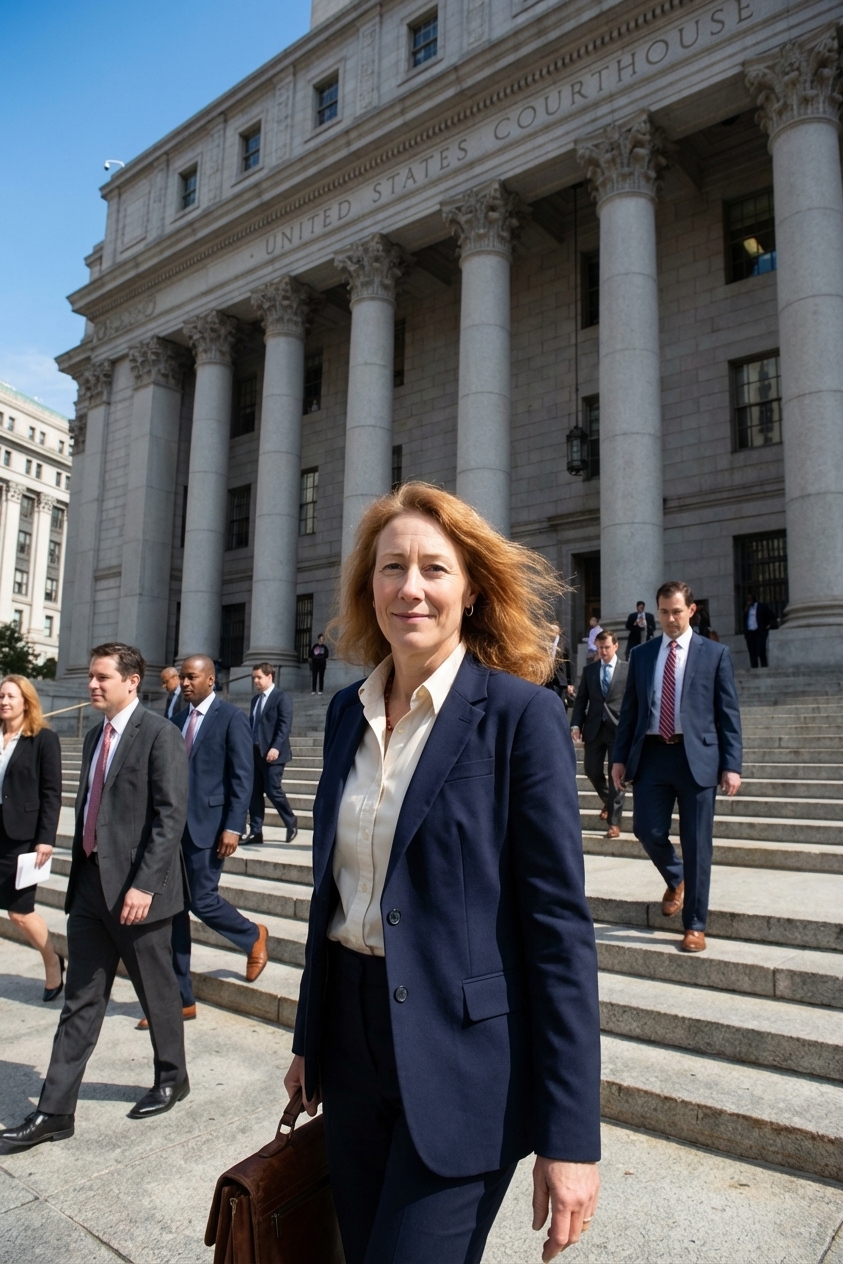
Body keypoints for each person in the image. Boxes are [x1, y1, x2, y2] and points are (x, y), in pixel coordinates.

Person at [285, 482, 600, 1264]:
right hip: (351, 1047)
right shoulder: (343, 716)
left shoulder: (519, 717)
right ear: (369, 586)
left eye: (433, 568)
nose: (411, 588)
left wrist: (570, 1139)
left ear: (470, 589)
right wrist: (308, 1040)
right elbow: (337, 893)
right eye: (392, 568)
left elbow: (558, 935)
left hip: (464, 1061)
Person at [0, 644, 190, 1152]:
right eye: (90, 677)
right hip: (89, 888)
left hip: (139, 894)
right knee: (81, 999)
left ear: (132, 682)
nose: (92, 685)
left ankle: (172, 1076)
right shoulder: (92, 736)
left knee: (156, 989)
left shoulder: (160, 735)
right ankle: (55, 1111)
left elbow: (170, 818)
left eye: (102, 677)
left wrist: (144, 884)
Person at [612, 582, 743, 953]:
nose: (670, 619)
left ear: (691, 610)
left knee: (698, 844)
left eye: (676, 611)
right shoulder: (642, 654)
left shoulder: (714, 654)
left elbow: (728, 714)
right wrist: (619, 758)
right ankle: (676, 876)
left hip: (697, 759)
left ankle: (695, 925)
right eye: (664, 612)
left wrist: (731, 765)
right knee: (645, 829)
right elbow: (630, 713)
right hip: (653, 756)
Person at [161, 655, 267, 1023]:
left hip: (211, 828)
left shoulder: (232, 717)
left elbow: (243, 776)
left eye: (191, 677)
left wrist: (234, 827)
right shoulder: (174, 722)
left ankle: (252, 934)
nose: (185, 683)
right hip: (174, 830)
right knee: (174, 910)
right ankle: (181, 999)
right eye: (182, 678)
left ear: (210, 679)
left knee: (202, 900)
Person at [0, 676, 63, 1001]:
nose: (4, 701)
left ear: (26, 701)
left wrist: (46, 838)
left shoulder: (43, 739)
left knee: (20, 911)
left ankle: (53, 961)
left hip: (22, 838)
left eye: (11, 696)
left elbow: (52, 793)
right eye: (1, 696)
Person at [570, 631, 629, 840]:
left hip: (618, 730)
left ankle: (614, 823)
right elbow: (581, 700)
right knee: (591, 771)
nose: (602, 652)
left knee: (617, 777)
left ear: (615, 646)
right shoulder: (589, 671)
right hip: (594, 728)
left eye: (606, 647)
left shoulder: (627, 670)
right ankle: (607, 800)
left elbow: (634, 700)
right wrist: (575, 724)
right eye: (599, 648)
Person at [243, 662, 297, 846]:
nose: (255, 681)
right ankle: (256, 831)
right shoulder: (255, 701)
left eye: (258, 677)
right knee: (254, 792)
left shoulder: (282, 698)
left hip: (274, 754)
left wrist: (275, 747)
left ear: (269, 676)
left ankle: (291, 821)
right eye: (253, 678)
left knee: (273, 790)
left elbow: (284, 725)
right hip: (255, 753)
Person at [743, 593, 777, 668]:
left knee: (761, 650)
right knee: (752, 653)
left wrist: (769, 626)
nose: (749, 601)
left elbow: (771, 616)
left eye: (750, 599)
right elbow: (744, 620)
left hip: (759, 632)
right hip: (750, 633)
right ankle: (754, 668)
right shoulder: (747, 609)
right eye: (747, 599)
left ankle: (764, 667)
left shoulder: (761, 606)